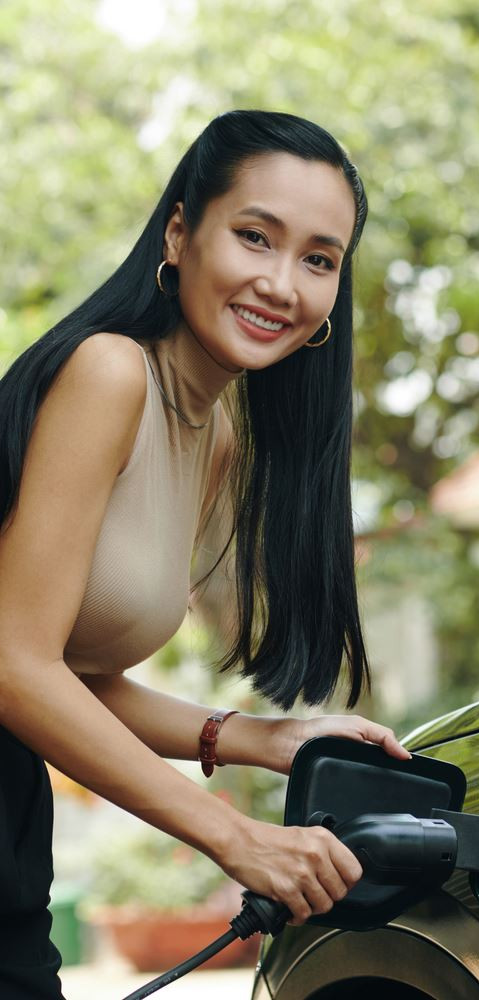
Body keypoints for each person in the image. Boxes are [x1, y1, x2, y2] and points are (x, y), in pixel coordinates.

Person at [0, 110, 410, 999]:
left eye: (318, 259)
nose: (281, 283)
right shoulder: (109, 374)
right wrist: (233, 837)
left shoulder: (216, 434)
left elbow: (66, 671)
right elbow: (11, 664)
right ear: (181, 233)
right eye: (254, 237)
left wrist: (262, 738)